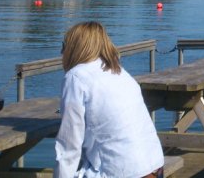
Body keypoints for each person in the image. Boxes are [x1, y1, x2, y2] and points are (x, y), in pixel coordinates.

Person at [54, 21, 164, 178]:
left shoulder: (76, 77)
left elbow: (69, 146)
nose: (61, 52)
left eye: (64, 45)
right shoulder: (118, 71)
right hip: (153, 166)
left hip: (124, 172)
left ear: (74, 48)